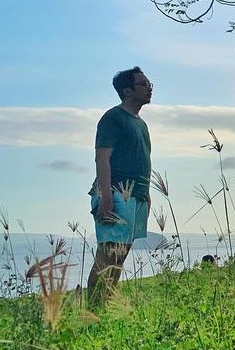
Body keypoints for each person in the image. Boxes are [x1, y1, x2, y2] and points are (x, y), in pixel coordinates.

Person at [85, 66, 154, 308]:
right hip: (115, 195)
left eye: (149, 83)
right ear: (127, 90)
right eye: (143, 84)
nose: (149, 87)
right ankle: (92, 310)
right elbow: (102, 158)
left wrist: (146, 195)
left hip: (134, 197)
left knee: (119, 256)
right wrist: (105, 198)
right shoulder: (113, 118)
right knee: (108, 255)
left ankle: (106, 307)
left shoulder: (141, 124)